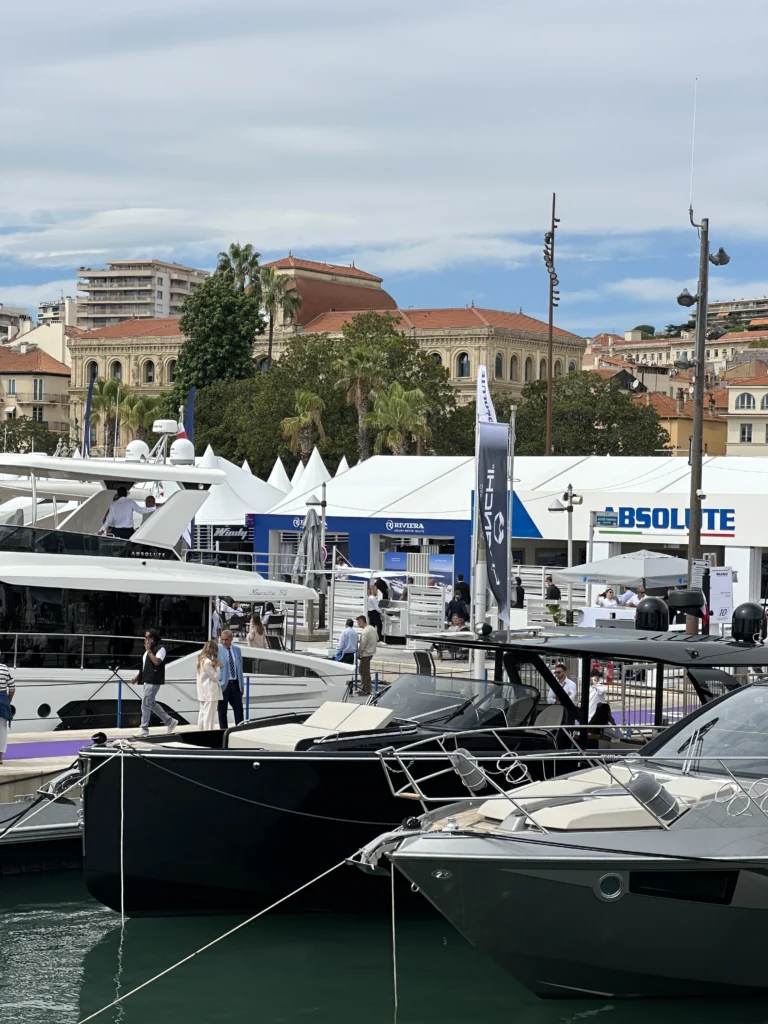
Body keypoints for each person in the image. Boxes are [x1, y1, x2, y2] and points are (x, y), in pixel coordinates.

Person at [133, 629, 177, 737]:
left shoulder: (160, 649)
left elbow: (157, 662)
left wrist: (148, 651)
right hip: (147, 679)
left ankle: (144, 728)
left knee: (145, 703)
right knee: (151, 703)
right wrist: (138, 677)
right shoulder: (148, 650)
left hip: (153, 680)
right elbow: (146, 666)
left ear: (152, 639)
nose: (145, 639)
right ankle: (170, 721)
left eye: (147, 637)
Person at [217, 629, 245, 728]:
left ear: (231, 639)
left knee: (239, 709)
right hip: (223, 684)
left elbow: (240, 669)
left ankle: (240, 729)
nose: (224, 642)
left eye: (226, 639)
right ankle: (223, 731)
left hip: (235, 683)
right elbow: (210, 662)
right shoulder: (217, 649)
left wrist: (242, 685)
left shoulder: (237, 650)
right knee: (222, 710)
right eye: (222, 639)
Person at [196, 640, 223, 731]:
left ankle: (201, 731)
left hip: (202, 691)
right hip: (210, 692)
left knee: (202, 714)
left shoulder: (200, 660)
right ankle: (208, 732)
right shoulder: (207, 662)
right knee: (209, 715)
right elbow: (215, 677)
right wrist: (218, 667)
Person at [356, 614, 378, 695]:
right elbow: (377, 638)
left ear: (361, 621)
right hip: (371, 652)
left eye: (358, 622)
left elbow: (362, 645)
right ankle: (365, 687)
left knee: (364, 671)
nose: (358, 624)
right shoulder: (372, 628)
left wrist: (358, 653)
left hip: (366, 653)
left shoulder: (365, 632)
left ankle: (366, 689)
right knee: (363, 670)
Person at [0, 657, 14, 764]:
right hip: (2, 701)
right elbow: (12, 688)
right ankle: (0, 757)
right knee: (2, 730)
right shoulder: (5, 668)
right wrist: (8, 701)